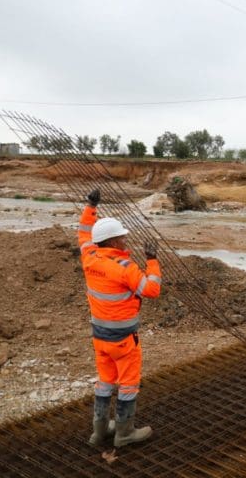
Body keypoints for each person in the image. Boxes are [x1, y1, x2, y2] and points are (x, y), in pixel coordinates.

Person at [79, 189, 162, 447]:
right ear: (113, 242)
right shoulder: (125, 268)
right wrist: (152, 261)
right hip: (124, 340)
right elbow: (152, 290)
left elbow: (84, 234)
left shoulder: (89, 257)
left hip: (100, 338)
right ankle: (124, 433)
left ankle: (99, 431)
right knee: (127, 385)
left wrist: (90, 206)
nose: (125, 240)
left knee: (105, 383)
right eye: (122, 237)